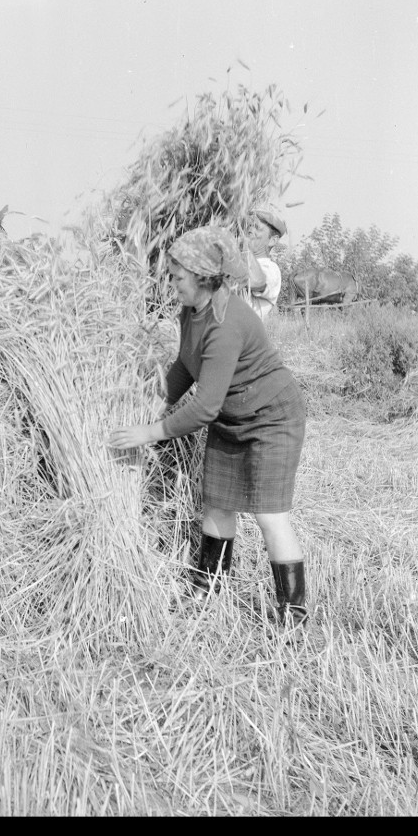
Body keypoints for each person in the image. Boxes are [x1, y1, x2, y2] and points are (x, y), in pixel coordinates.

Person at [107, 226, 308, 628]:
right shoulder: (191, 311)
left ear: (201, 278)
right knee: (216, 504)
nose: (172, 284)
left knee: (270, 516)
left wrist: (149, 432)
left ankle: (293, 615)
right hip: (231, 415)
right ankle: (207, 589)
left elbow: (203, 408)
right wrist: (156, 400)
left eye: (178, 277)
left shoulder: (226, 322)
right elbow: (186, 363)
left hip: (271, 416)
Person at [245, 207, 287, 321]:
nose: (250, 230)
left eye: (257, 228)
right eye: (249, 226)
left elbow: (255, 282)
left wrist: (245, 249)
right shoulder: (238, 261)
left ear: (272, 240)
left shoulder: (271, 269)